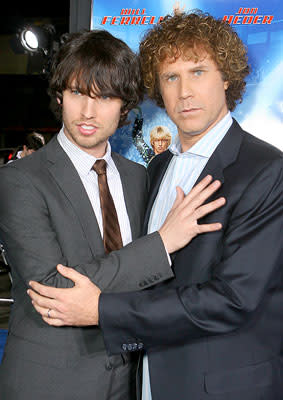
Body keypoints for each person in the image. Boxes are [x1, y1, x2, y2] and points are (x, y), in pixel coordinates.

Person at [29, 10, 283, 400]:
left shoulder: (266, 170)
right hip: (147, 381)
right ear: (157, 89)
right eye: (171, 77)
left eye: (198, 72)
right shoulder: (158, 167)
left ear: (227, 77)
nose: (184, 92)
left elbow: (232, 300)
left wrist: (102, 310)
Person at [0, 28, 225, 400]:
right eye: (77, 93)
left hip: (131, 379)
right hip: (50, 384)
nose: (88, 112)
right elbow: (55, 292)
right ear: (60, 96)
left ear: (125, 106)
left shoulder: (139, 176)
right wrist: (162, 243)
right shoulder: (19, 180)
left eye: (104, 96)